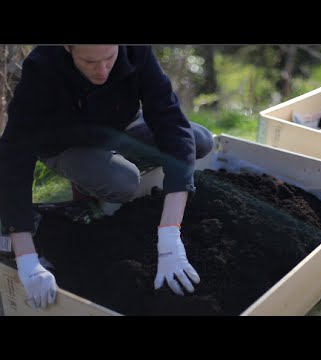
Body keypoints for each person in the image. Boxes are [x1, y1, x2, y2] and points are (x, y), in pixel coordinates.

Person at [0, 45, 214, 309]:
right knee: (122, 182)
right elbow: (14, 153)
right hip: (67, 144)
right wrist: (26, 259)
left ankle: (104, 174)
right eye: (89, 61)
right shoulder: (43, 66)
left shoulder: (137, 51)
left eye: (110, 59)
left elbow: (170, 121)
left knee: (199, 140)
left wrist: (170, 235)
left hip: (119, 129)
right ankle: (80, 195)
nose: (102, 71)